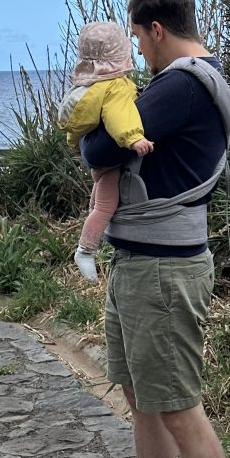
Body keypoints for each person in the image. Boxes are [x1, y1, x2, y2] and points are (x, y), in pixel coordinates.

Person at [79, 0, 230, 458]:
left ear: (153, 30)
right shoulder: (192, 82)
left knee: (177, 405)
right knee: (144, 400)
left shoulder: (180, 84)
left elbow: (97, 143)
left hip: (165, 271)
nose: (140, 60)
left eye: (141, 44)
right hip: (141, 262)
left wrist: (99, 128)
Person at [56, 21, 154, 282]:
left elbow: (78, 123)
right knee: (106, 205)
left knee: (99, 197)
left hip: (96, 161)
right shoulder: (116, 86)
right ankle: (85, 250)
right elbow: (118, 115)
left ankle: (91, 224)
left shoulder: (89, 86)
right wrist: (134, 139)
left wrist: (74, 144)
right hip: (110, 163)